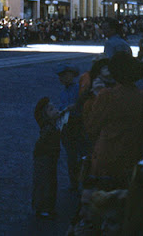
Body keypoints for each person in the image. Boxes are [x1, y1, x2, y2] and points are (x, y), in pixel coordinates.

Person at [84, 51, 143, 188]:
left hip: (107, 155)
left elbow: (91, 127)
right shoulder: (141, 96)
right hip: (131, 155)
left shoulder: (107, 95)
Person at [57, 63, 85, 191]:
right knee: (71, 156)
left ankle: (81, 180)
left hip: (77, 123)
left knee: (78, 154)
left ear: (71, 75)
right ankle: (74, 182)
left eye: (63, 75)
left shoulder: (78, 89)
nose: (60, 78)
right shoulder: (64, 91)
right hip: (67, 126)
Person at [32, 97, 61, 219]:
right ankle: (43, 208)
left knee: (49, 181)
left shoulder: (52, 125)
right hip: (45, 157)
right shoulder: (49, 128)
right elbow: (42, 143)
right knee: (45, 182)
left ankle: (47, 207)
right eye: (51, 109)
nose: (55, 110)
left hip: (49, 156)